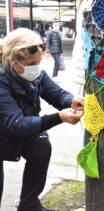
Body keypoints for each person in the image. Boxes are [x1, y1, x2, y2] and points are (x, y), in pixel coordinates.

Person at [0, 28, 84, 211]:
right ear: (12, 62)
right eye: (31, 63)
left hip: (14, 129)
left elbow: (56, 94)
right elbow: (16, 124)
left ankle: (29, 206)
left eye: (39, 61)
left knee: (40, 147)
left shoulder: (35, 74)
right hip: (8, 129)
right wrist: (60, 117)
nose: (37, 67)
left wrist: (72, 101)